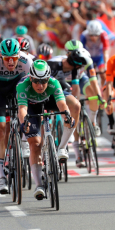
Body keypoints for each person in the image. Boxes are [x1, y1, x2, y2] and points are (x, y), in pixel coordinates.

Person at [16, 60, 75, 200]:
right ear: (31, 78)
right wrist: (25, 122)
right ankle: (39, 185)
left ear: (49, 78)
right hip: (31, 106)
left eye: (44, 81)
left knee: (75, 106)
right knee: (35, 144)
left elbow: (61, 103)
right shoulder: (22, 86)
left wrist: (67, 116)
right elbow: (22, 109)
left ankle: (61, 148)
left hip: (48, 101)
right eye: (36, 81)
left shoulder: (54, 83)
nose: (40, 85)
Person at [0, 38, 33, 194]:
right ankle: (1, 177)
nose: (11, 62)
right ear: (0, 56)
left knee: (24, 113)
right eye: (6, 59)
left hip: (18, 85)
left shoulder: (27, 61)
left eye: (14, 57)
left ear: (19, 54)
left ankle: (23, 142)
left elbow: (32, 89)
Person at [47, 47, 104, 165]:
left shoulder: (75, 69)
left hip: (60, 85)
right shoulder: (53, 64)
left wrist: (75, 106)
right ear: (77, 65)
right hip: (45, 87)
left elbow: (75, 88)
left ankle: (66, 137)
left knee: (76, 105)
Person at [80, 20, 109, 87]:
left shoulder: (103, 35)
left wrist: (106, 65)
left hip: (99, 57)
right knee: (90, 77)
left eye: (96, 35)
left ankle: (103, 92)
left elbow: (105, 51)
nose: (93, 37)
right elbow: (81, 51)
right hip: (89, 58)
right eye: (91, 35)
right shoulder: (84, 35)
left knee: (103, 74)